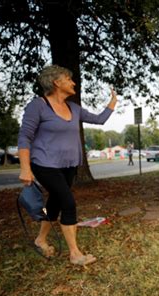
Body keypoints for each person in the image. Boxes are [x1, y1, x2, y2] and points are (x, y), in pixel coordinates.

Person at [18, 64, 117, 266]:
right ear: (56, 82)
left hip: (69, 165)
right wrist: (25, 168)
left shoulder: (74, 108)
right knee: (68, 202)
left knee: (54, 203)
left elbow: (99, 120)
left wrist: (113, 102)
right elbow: (24, 137)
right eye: (69, 79)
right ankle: (75, 253)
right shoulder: (38, 105)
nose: (73, 83)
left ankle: (41, 239)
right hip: (44, 163)